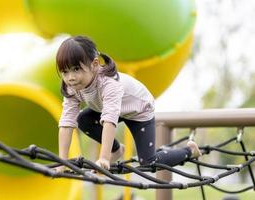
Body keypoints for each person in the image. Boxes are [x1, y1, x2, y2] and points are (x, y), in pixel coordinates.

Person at [55, 35, 201, 172]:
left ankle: (189, 151)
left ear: (94, 64)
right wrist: (63, 161)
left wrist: (104, 159)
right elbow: (66, 123)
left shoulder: (109, 84)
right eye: (65, 72)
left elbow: (109, 121)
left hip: (139, 110)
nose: (71, 77)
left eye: (76, 69)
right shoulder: (72, 87)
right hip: (110, 109)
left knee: (149, 162)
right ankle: (116, 150)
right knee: (82, 119)